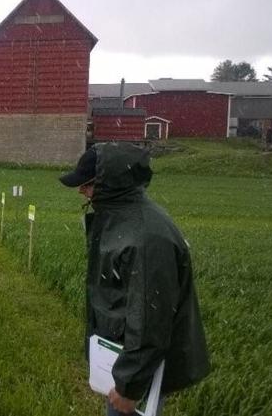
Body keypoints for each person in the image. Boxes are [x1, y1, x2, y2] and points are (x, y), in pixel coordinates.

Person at [59, 143, 210, 416]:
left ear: (110, 184)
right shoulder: (121, 218)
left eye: (88, 184)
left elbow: (151, 319)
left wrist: (129, 385)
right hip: (121, 355)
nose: (82, 191)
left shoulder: (147, 238)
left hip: (139, 366)